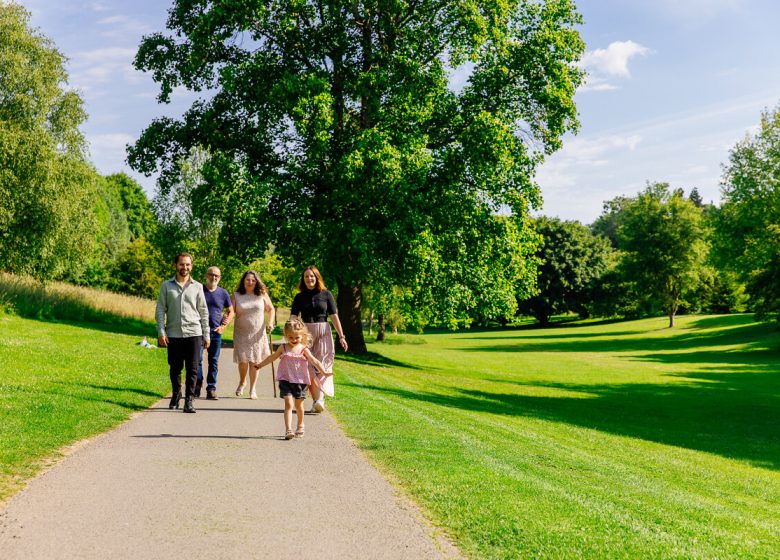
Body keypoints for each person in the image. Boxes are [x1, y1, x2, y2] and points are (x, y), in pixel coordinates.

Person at [255, 318, 328, 439]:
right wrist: (260, 365)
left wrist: (324, 371)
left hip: (300, 381)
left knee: (299, 406)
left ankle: (300, 425)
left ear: (302, 335)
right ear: (286, 335)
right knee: (288, 404)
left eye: (296, 337)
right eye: (290, 337)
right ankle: (288, 430)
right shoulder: (283, 348)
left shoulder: (304, 349)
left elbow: (314, 361)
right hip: (286, 380)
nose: (293, 340)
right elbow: (272, 357)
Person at [156, 252, 210, 413]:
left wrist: (206, 334)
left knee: (193, 369)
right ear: (175, 265)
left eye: (187, 264)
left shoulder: (198, 286)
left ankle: (189, 400)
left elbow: (203, 312)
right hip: (173, 334)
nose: (184, 267)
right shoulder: (166, 286)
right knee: (175, 368)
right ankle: (176, 394)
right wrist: (161, 331)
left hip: (194, 333)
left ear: (191, 266)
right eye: (181, 264)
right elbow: (160, 310)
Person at [290, 266, 347, 413]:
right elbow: (293, 317)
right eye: (306, 277)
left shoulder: (326, 295)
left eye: (312, 276)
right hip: (306, 333)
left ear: (317, 278)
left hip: (323, 332)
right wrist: (290, 332)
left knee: (322, 365)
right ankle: (316, 399)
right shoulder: (299, 297)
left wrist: (341, 336)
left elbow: (334, 316)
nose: (309, 279)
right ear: (303, 279)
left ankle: (320, 399)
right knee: (307, 366)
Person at [231, 270, 275, 399]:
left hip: (257, 333)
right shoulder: (236, 295)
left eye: (253, 280)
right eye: (248, 280)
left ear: (256, 282)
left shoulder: (261, 294)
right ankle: (242, 381)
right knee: (243, 361)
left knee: (255, 361)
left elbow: (271, 309)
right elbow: (231, 312)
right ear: (243, 281)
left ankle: (253, 388)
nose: (250, 282)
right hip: (241, 333)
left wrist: (270, 323)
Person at [195, 266, 234, 400]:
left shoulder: (223, 293)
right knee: (197, 360)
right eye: (211, 274)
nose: (214, 277)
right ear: (206, 275)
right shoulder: (198, 289)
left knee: (214, 361)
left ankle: (211, 389)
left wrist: (223, 326)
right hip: (198, 332)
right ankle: (197, 385)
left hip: (216, 332)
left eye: (216, 275)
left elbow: (230, 311)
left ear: (219, 278)